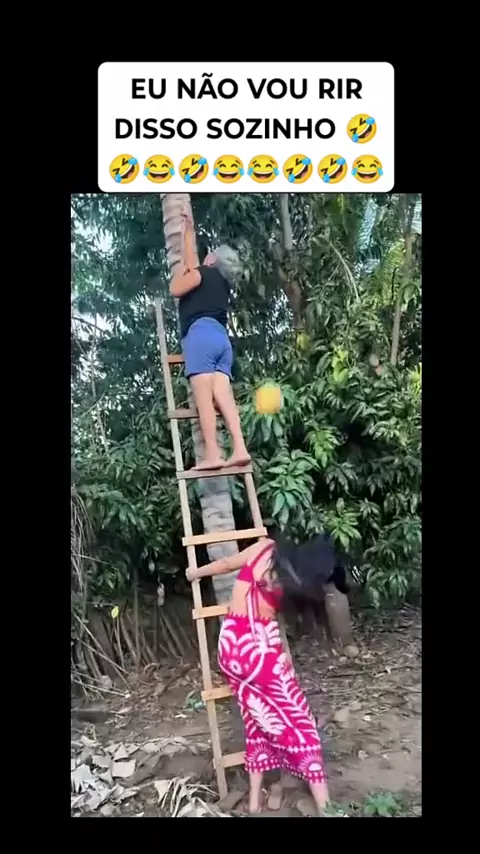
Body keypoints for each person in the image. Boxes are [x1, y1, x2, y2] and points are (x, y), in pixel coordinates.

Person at [186, 531, 351, 815]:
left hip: (230, 649)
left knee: (257, 719)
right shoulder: (292, 583)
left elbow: (225, 564)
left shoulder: (264, 548)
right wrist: (276, 657)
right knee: (303, 728)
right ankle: (327, 809)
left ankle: (254, 802)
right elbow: (271, 621)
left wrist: (195, 573)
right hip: (259, 657)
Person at [170, 213, 250, 471]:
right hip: (221, 341)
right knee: (224, 398)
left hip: (200, 338)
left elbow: (176, 288)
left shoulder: (200, 274)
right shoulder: (222, 284)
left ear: (213, 260)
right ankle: (240, 448)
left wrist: (180, 271)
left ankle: (213, 454)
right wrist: (187, 232)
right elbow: (193, 263)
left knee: (204, 400)